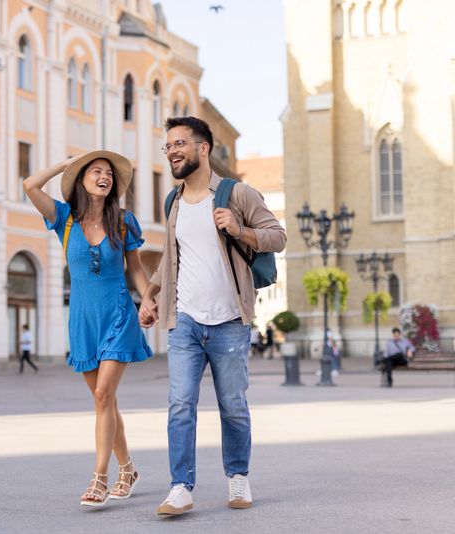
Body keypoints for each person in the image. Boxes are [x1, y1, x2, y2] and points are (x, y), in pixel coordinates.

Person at [139, 116, 286, 515]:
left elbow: (278, 236)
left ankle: (237, 477)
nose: (171, 151)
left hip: (229, 322)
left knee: (233, 405)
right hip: (184, 318)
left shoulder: (237, 193)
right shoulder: (172, 202)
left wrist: (240, 229)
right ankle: (180, 486)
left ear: (203, 148)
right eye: (167, 145)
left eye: (179, 143)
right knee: (180, 404)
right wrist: (150, 295)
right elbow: (171, 258)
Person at [24, 150, 153, 507]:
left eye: (108, 173)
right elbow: (30, 185)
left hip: (117, 314)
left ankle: (100, 478)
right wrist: (65, 165)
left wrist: (148, 299)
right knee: (105, 402)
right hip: (82, 319)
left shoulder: (124, 221)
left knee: (102, 397)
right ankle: (128, 468)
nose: (104, 176)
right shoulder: (64, 218)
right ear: (81, 179)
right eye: (95, 171)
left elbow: (136, 270)